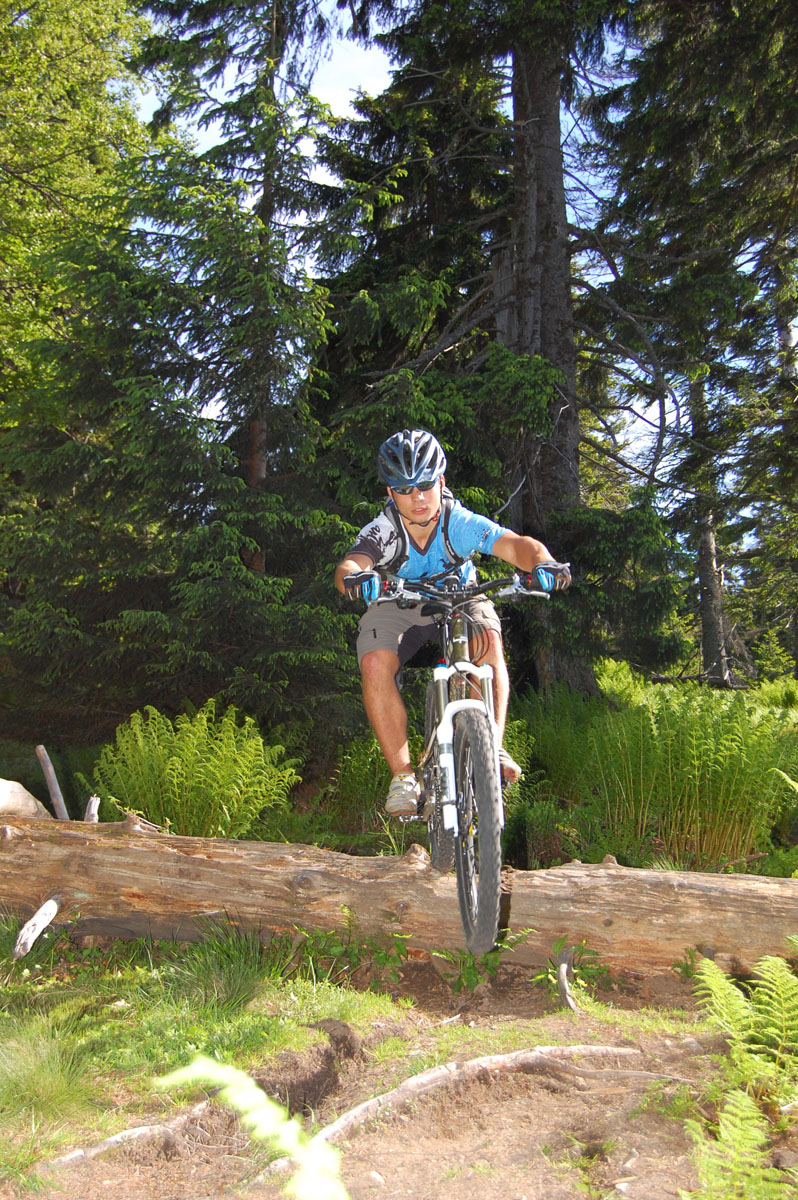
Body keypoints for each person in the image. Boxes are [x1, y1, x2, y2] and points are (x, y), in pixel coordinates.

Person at [334, 429, 571, 816]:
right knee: (374, 662)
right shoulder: (383, 530)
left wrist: (542, 561)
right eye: (405, 489)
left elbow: (514, 544)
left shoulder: (458, 522)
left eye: (426, 485)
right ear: (390, 493)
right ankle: (403, 777)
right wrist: (355, 578)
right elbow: (351, 562)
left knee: (489, 639)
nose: (418, 497)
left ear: (441, 482)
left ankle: (491, 746)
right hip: (398, 602)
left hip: (460, 597)